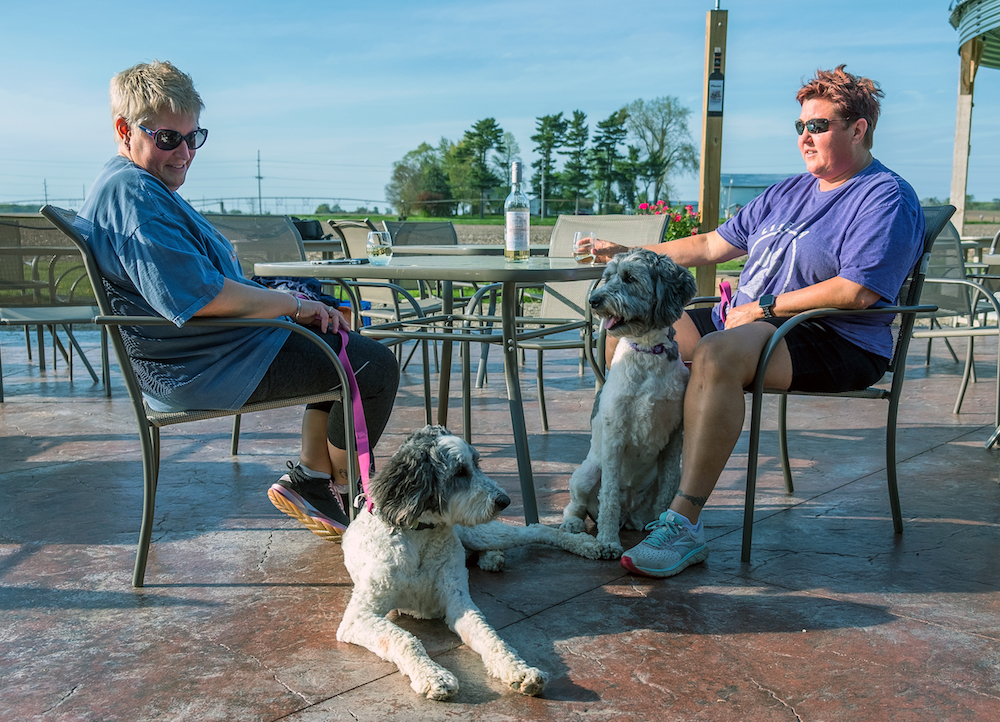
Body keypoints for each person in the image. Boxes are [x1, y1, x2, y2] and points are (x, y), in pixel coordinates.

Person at [583, 65, 926, 578]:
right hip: (747, 320)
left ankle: (683, 522)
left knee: (718, 355)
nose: (805, 137)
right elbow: (706, 246)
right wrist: (630, 251)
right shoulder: (786, 192)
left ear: (858, 129)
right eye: (801, 127)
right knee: (634, 328)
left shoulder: (884, 197)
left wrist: (764, 309)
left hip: (832, 336)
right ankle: (627, 480)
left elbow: (856, 291)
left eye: (819, 126)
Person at [74, 60, 399, 543]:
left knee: (334, 335)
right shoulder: (134, 195)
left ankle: (314, 479)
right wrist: (290, 306)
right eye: (168, 139)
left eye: (193, 137)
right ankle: (353, 498)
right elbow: (198, 297)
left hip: (209, 354)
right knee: (373, 368)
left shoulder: (136, 184)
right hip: (202, 367)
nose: (184, 153)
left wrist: (289, 301)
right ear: (125, 130)